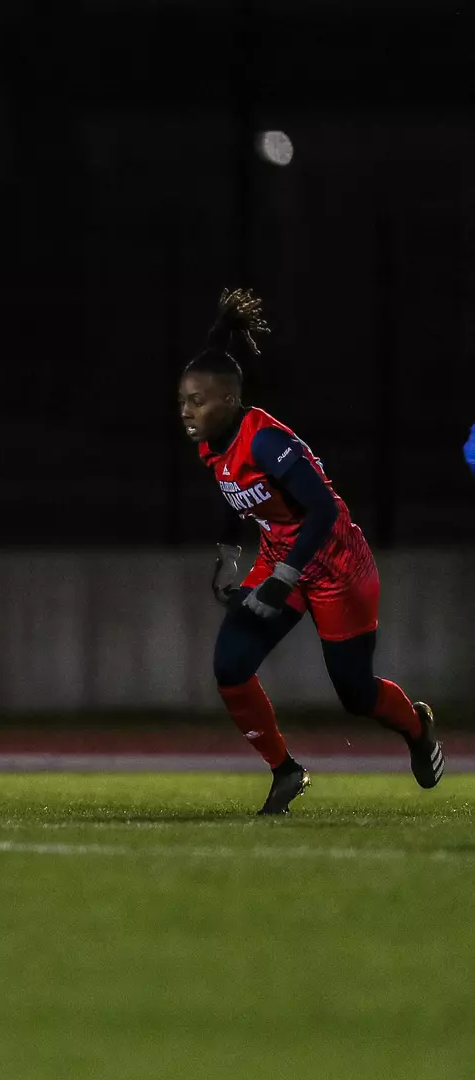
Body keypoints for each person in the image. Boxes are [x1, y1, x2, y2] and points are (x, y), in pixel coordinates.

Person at [180, 288, 442, 814]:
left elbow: (322, 511)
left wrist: (281, 579)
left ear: (229, 400)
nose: (186, 411)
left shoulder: (265, 441)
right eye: (183, 400)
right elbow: (238, 494)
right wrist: (230, 551)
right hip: (284, 553)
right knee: (230, 665)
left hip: (336, 561)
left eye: (197, 400)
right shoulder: (212, 441)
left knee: (354, 693)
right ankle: (286, 771)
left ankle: (417, 726)